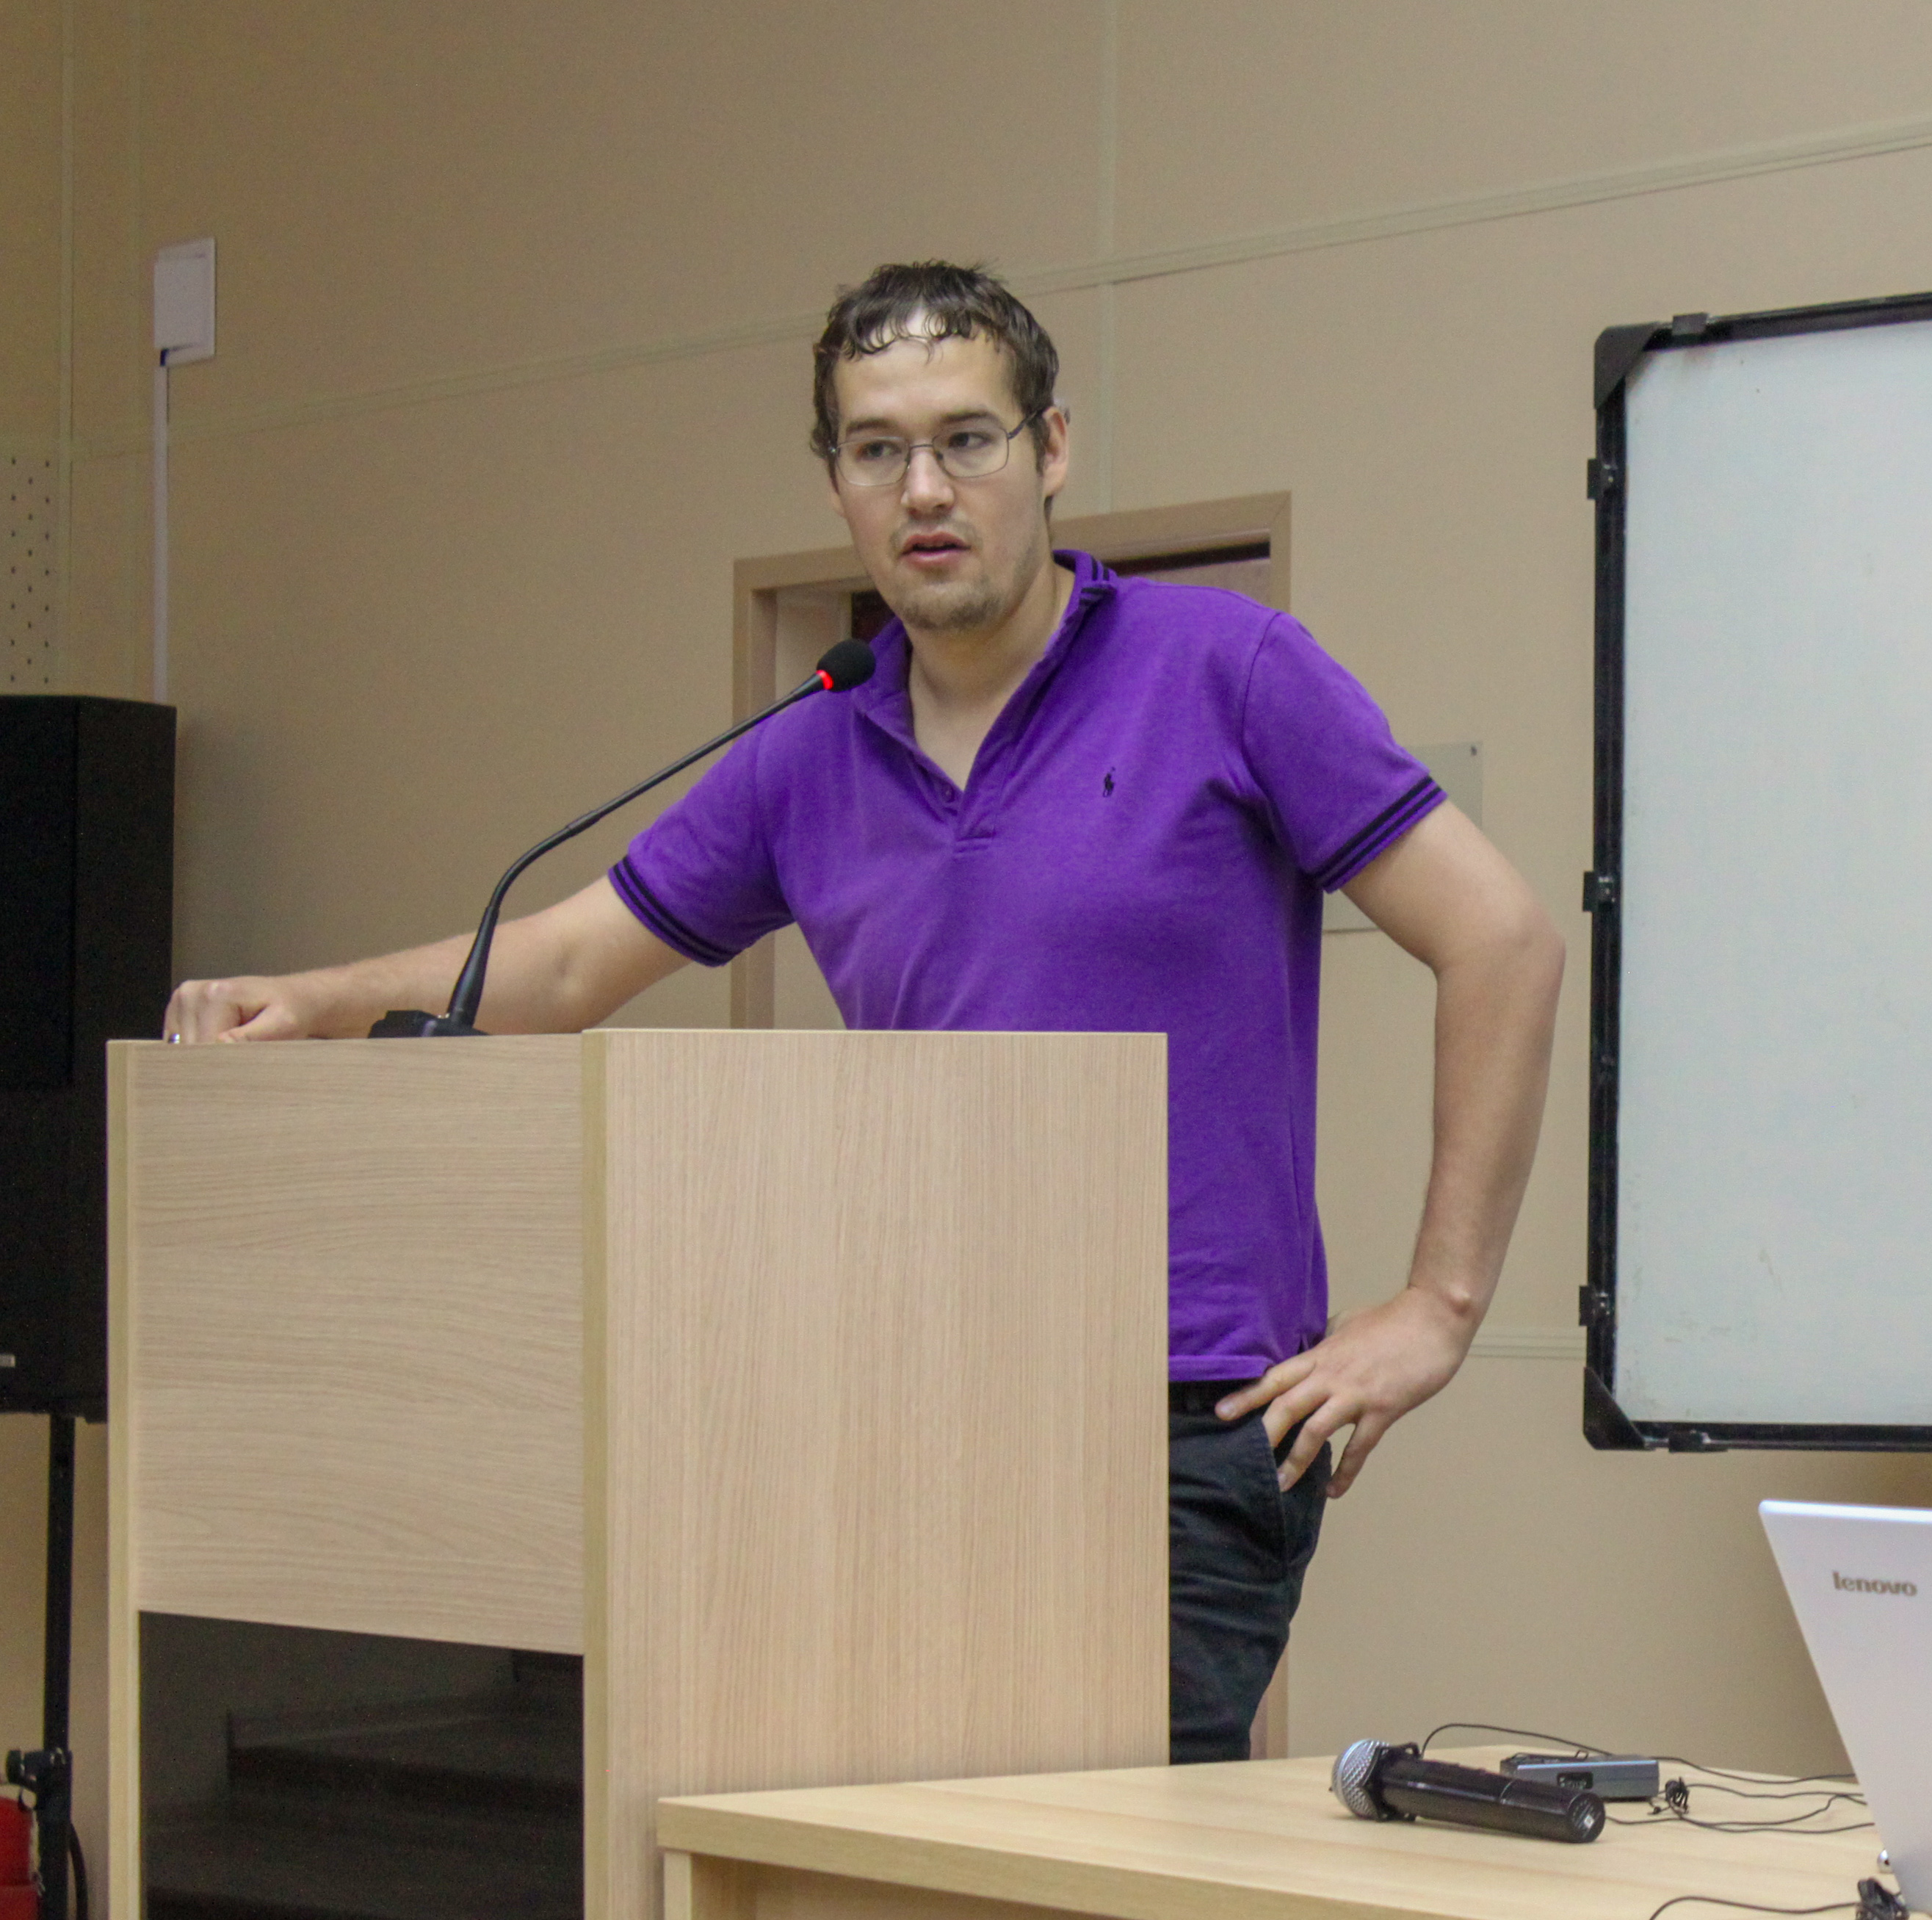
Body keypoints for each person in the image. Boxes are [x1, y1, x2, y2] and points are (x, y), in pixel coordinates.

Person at [165, 262, 1566, 1764]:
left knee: (1098, 1865)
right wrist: (317, 1000)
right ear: (834, 480)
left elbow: (1503, 941)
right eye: (878, 449)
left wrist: (1437, 1308)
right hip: (906, 1397)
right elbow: (565, 967)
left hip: (1180, 1414)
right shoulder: (811, 746)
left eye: (967, 439)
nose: (926, 489)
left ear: (1052, 449)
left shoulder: (1225, 669)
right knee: (904, 1865)